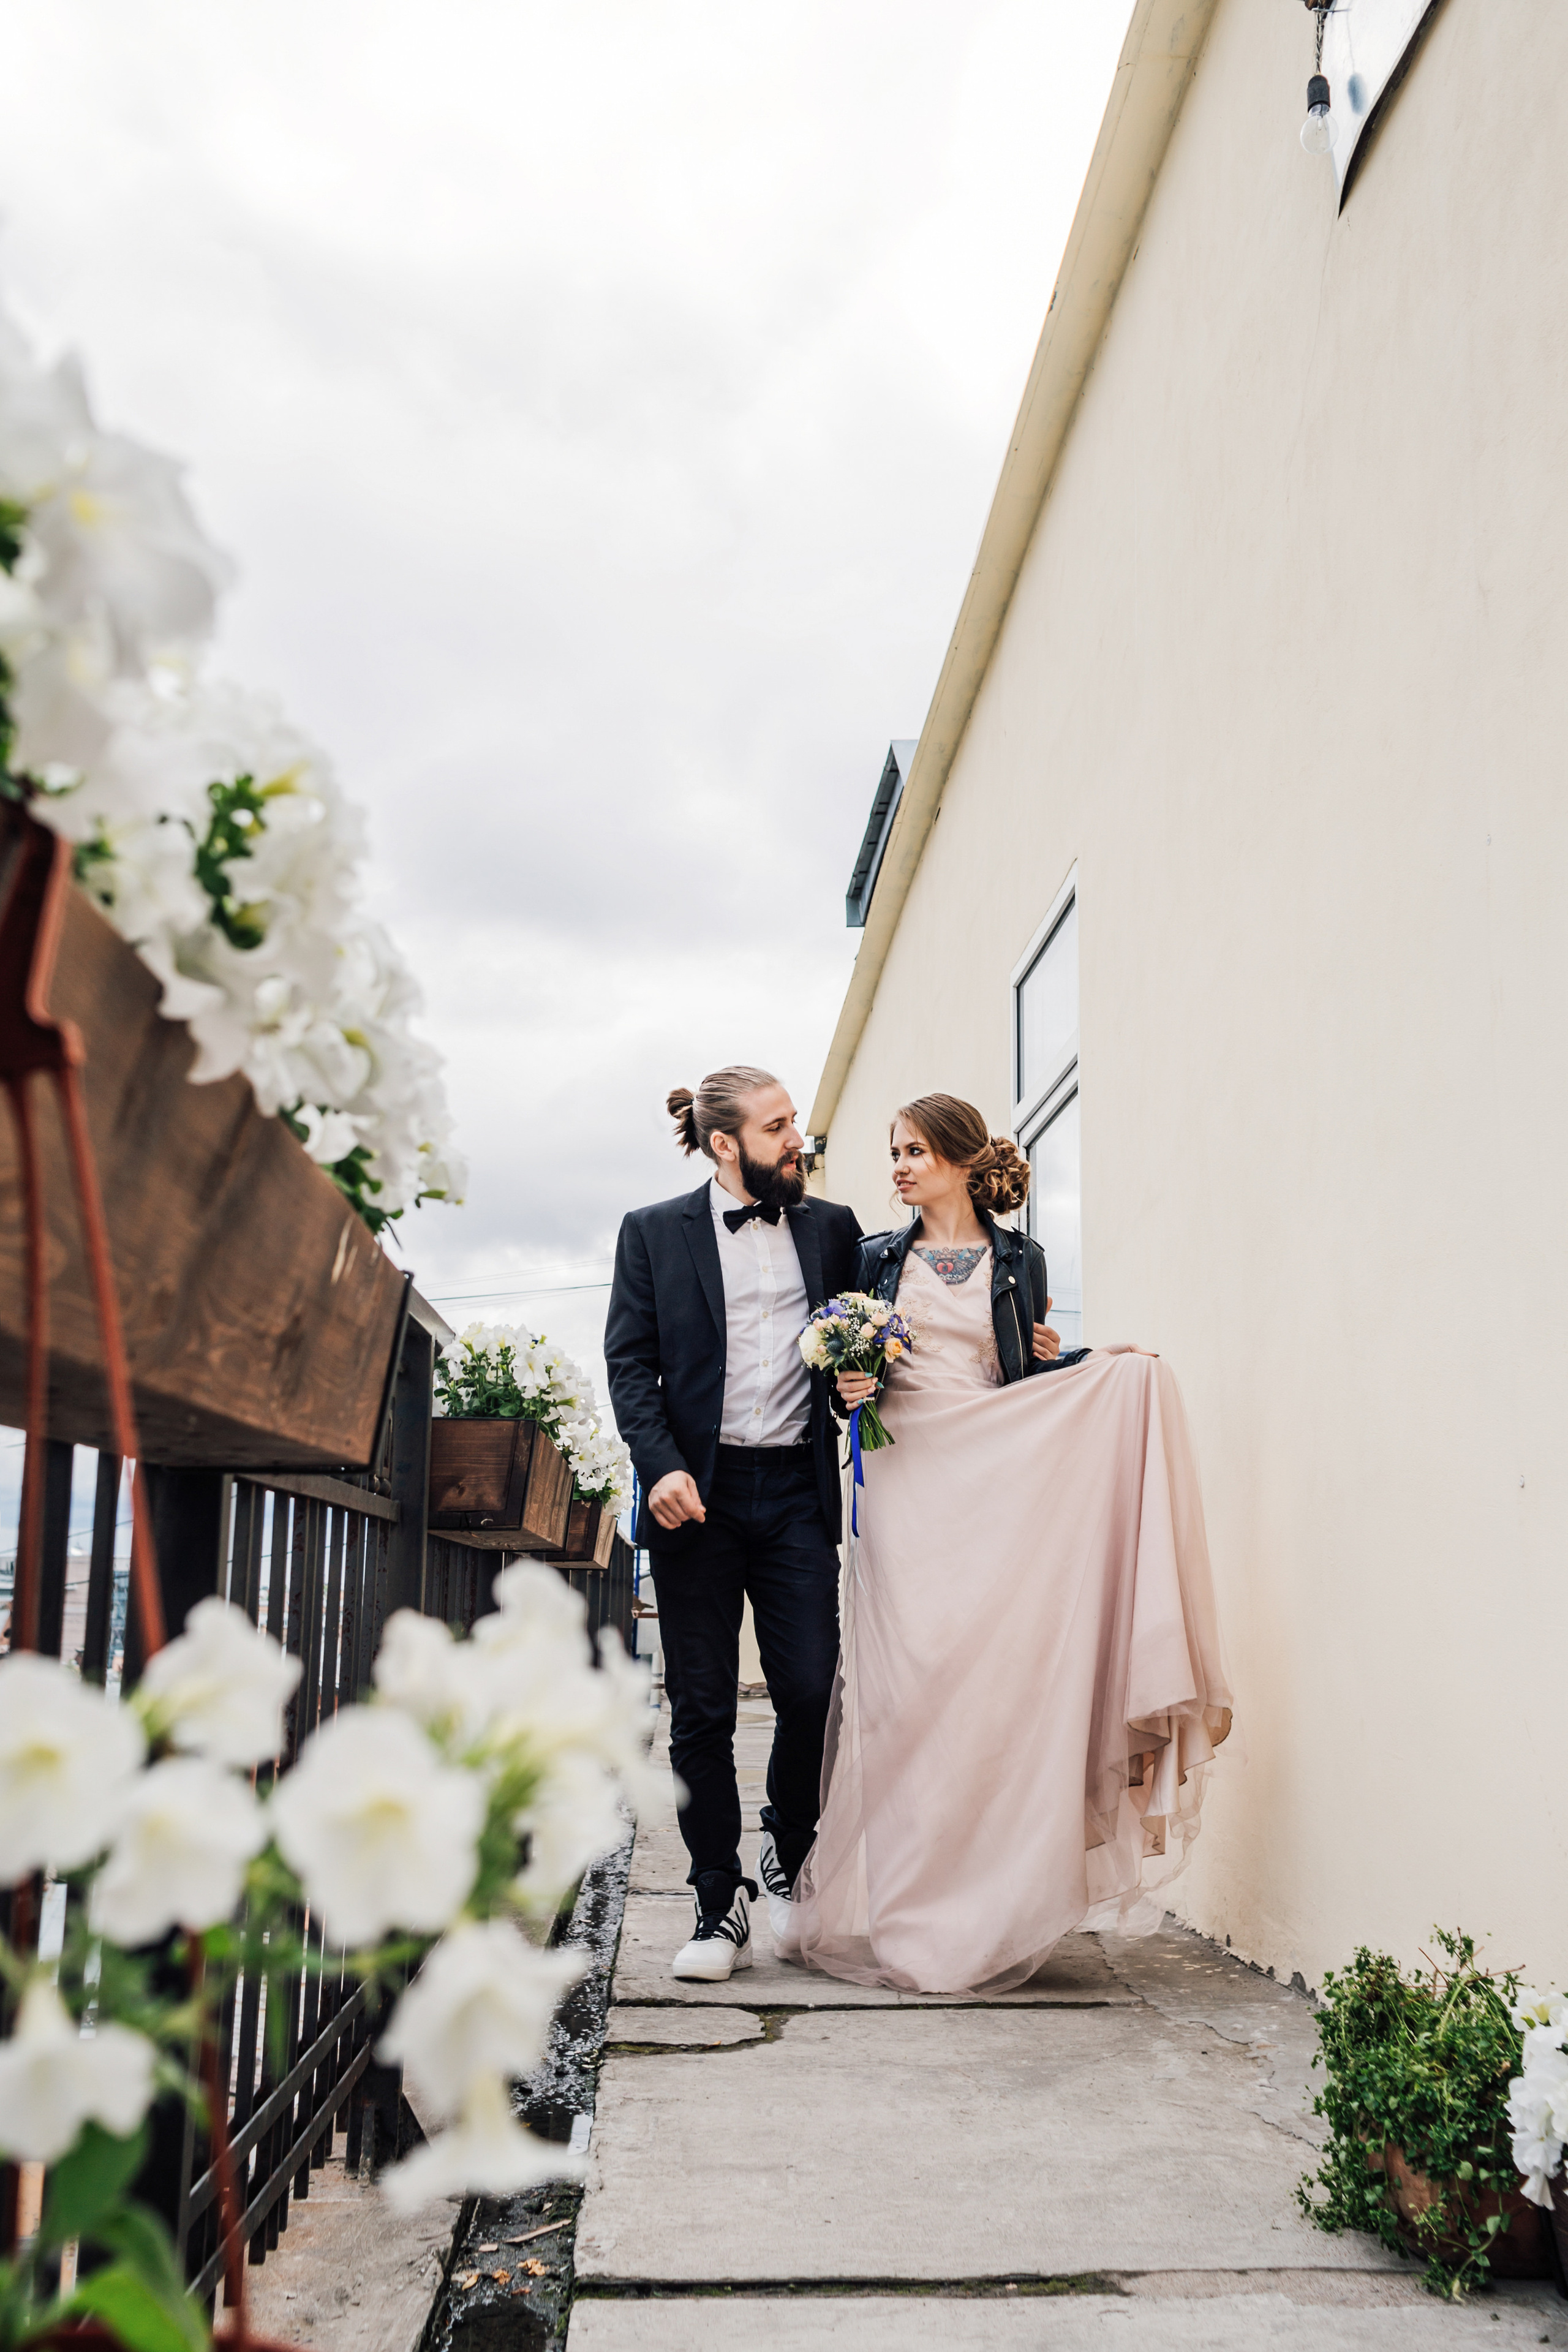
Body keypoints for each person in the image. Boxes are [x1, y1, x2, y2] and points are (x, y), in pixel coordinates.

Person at [777, 1093, 1232, 1996]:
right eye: (894, 1152)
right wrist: (850, 1382)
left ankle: (992, 1911)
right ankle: (906, 1922)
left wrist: (1093, 1365)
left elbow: (1016, 1370)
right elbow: (838, 1385)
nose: (900, 1166)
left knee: (991, 1688)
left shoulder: (1021, 1257)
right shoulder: (873, 1256)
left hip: (992, 1475)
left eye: (915, 1151)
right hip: (907, 1481)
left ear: (956, 1157)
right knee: (908, 1697)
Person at [604, 1067, 862, 1981]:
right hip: (696, 1500)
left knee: (809, 1689)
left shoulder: (831, 1229)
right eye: (779, 1125)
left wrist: (1026, 1329)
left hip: (796, 1491)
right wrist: (660, 1466)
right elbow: (630, 1365)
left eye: (794, 1121)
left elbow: (889, 1317)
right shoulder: (650, 1233)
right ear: (726, 1144)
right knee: (702, 1711)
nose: (798, 1139)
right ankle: (718, 1905)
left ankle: (786, 1853)